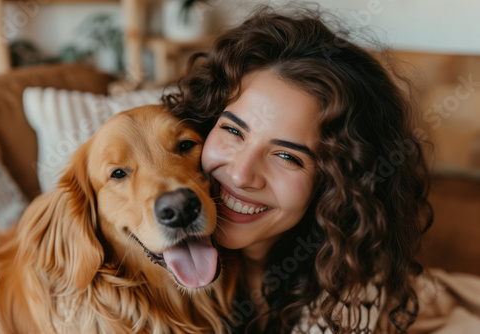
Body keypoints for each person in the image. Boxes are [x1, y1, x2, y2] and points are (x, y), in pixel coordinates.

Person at [163, 5, 480, 334]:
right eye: (232, 131)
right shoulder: (171, 181)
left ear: (337, 182)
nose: (241, 174)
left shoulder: (347, 292)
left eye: (288, 157)